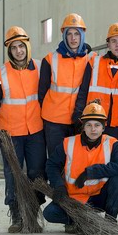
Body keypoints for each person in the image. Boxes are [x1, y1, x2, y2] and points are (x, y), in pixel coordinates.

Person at [0, 26, 46, 233]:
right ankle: (17, 215)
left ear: (27, 46)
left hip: (36, 131)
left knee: (37, 173)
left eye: (21, 46)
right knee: (13, 174)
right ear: (9, 51)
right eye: (13, 48)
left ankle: (33, 213)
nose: (18, 51)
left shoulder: (40, 68)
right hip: (10, 134)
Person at [44, 100, 118, 235]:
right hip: (75, 199)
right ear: (83, 127)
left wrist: (92, 172)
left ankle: (110, 223)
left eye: (97, 125)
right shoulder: (68, 143)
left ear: (103, 127)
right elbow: (51, 165)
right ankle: (85, 221)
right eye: (88, 125)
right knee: (50, 213)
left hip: (100, 197)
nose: (93, 129)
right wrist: (58, 185)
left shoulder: (112, 143)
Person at [39, 13, 94, 156]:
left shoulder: (92, 60)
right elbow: (42, 92)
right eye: (69, 34)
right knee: (56, 159)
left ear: (82, 35)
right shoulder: (50, 59)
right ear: (64, 35)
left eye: (77, 33)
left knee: (76, 159)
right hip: (54, 121)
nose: (73, 38)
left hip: (80, 119)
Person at [73, 23, 118, 147]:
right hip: (93, 122)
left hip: (117, 125)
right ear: (108, 44)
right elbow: (83, 90)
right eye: (114, 41)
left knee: (113, 159)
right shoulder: (95, 62)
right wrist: (78, 114)